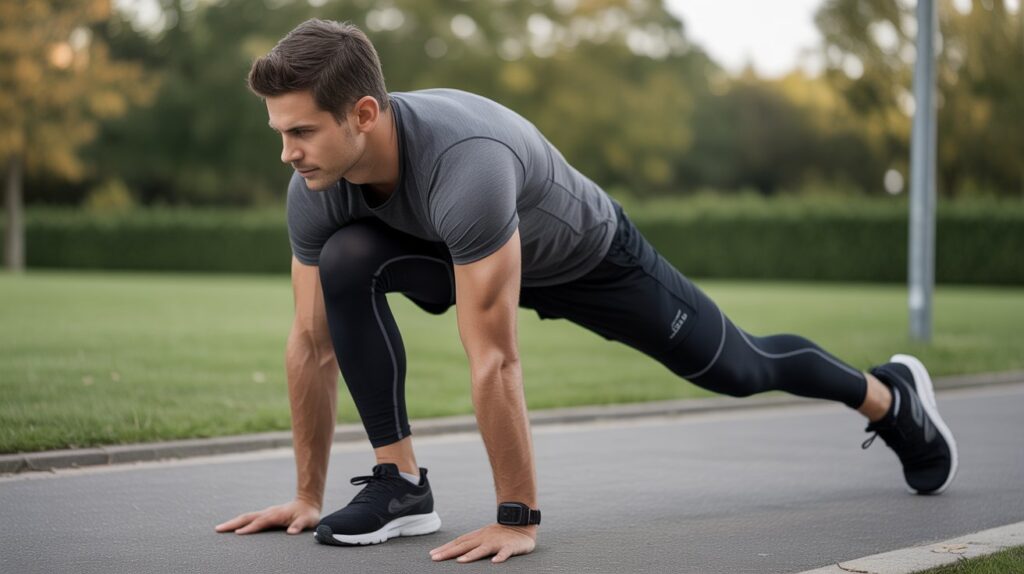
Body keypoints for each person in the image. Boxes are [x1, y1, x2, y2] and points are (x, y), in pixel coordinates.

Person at [214, 18, 958, 564]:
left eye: (302, 131)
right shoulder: (316, 184)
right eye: (280, 132)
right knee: (346, 260)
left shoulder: (466, 164)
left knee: (739, 368)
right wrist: (308, 497)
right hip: (455, 254)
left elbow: (496, 361)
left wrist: (517, 516)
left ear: (364, 114)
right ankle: (399, 483)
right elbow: (312, 343)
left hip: (591, 259)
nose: (288, 152)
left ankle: (888, 395)